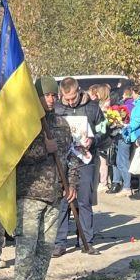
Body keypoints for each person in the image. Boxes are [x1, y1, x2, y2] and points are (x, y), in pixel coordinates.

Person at [11, 110, 70, 280]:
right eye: (46, 95)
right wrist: (44, 148)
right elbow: (15, 155)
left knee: (45, 250)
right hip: (30, 194)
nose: (51, 99)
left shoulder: (62, 123)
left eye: (54, 94)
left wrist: (72, 183)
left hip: (54, 194)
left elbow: (70, 155)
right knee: (26, 248)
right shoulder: (25, 123)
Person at [50, 76, 103, 254]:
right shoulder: (57, 108)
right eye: (67, 99)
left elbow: (104, 129)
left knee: (84, 200)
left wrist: (93, 140)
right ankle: (60, 243)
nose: (71, 102)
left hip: (85, 159)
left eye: (73, 98)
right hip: (63, 160)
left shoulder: (93, 107)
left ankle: (87, 241)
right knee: (63, 200)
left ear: (79, 90)